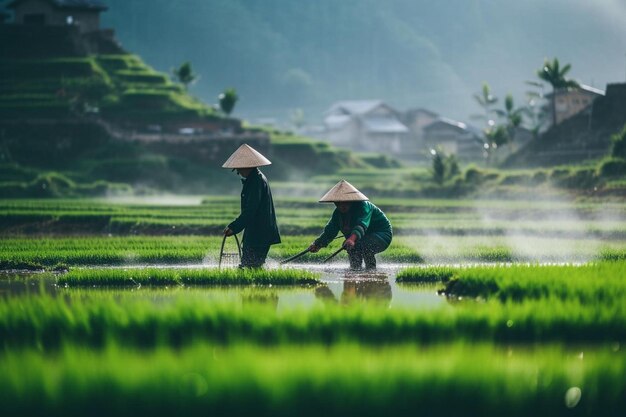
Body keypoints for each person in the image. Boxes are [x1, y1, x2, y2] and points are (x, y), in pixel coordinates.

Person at [308, 180, 392, 270]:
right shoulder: (337, 214)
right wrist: (317, 244)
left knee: (363, 246)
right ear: (335, 202)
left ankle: (371, 271)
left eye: (346, 202)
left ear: (351, 201)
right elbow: (330, 232)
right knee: (352, 248)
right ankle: (354, 271)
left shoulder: (363, 207)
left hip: (381, 234)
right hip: (361, 238)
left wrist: (351, 239)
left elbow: (361, 224)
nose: (342, 205)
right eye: (339, 202)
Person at [222, 143, 281, 268]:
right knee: (251, 267)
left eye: (238, 169)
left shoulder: (256, 182)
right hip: (257, 232)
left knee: (250, 267)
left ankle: (255, 285)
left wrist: (234, 227)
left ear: (246, 167)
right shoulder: (255, 179)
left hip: (259, 234)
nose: (238, 172)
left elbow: (251, 210)